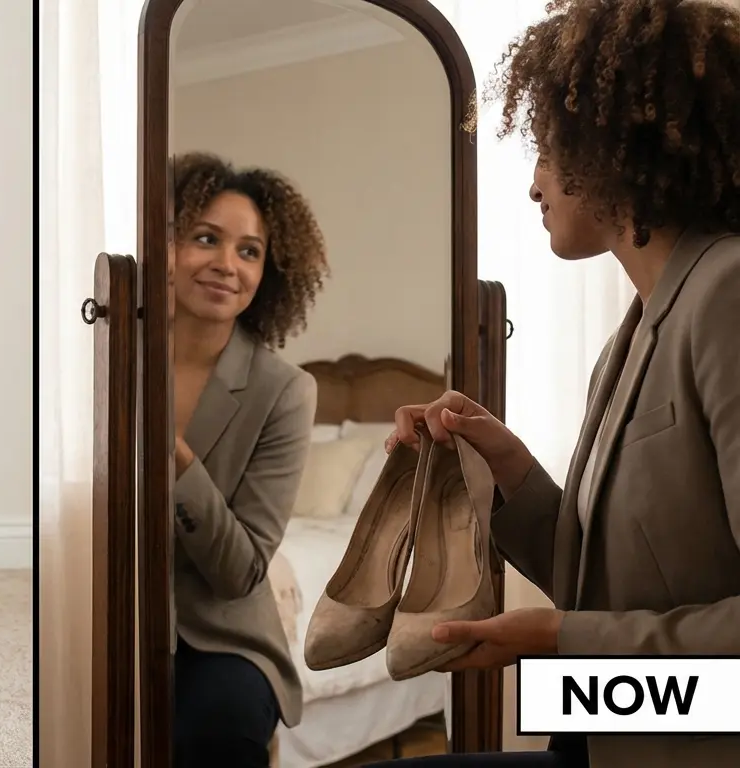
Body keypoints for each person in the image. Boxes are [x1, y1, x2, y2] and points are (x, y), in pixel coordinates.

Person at [370, 0, 740, 766]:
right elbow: (607, 579)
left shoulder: (728, 294)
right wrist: (504, 460)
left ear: (614, 142)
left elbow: (588, 623)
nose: (534, 187)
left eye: (545, 150)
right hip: (605, 737)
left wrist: (556, 638)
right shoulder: (631, 336)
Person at [168, 152, 328, 767]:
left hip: (224, 636)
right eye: (206, 238)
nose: (226, 264)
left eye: (249, 250)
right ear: (167, 244)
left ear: (270, 270)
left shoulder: (285, 391)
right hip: (110, 616)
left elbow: (241, 572)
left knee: (213, 736)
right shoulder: (107, 361)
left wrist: (175, 454)